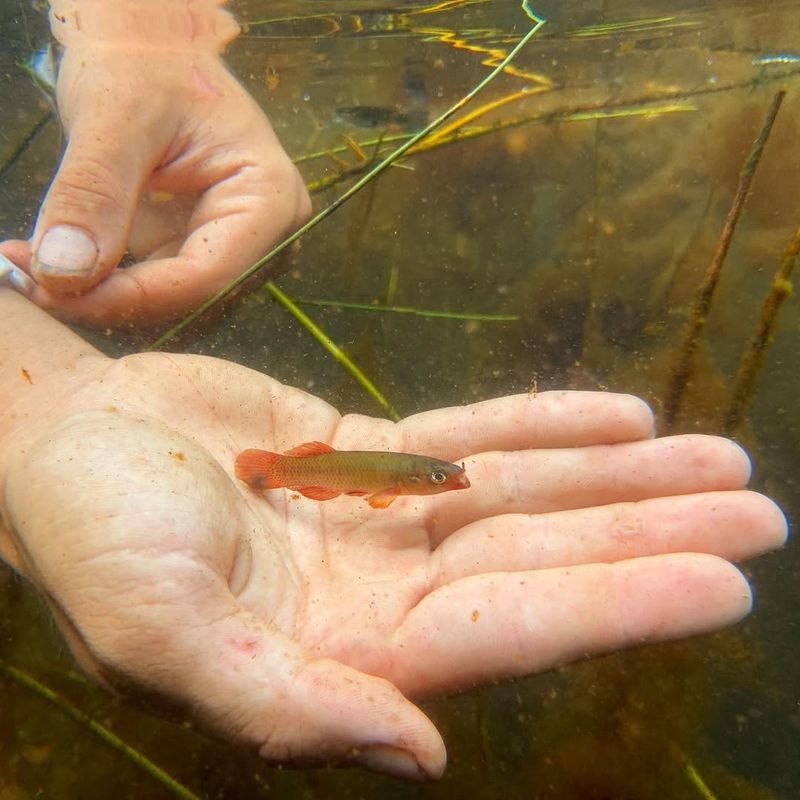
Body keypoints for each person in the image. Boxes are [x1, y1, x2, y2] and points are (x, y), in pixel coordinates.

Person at [0, 0, 788, 782]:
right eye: (444, 476)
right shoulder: (380, 477)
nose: (448, 480)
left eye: (444, 478)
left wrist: (51, 402)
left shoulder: (399, 480)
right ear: (424, 478)